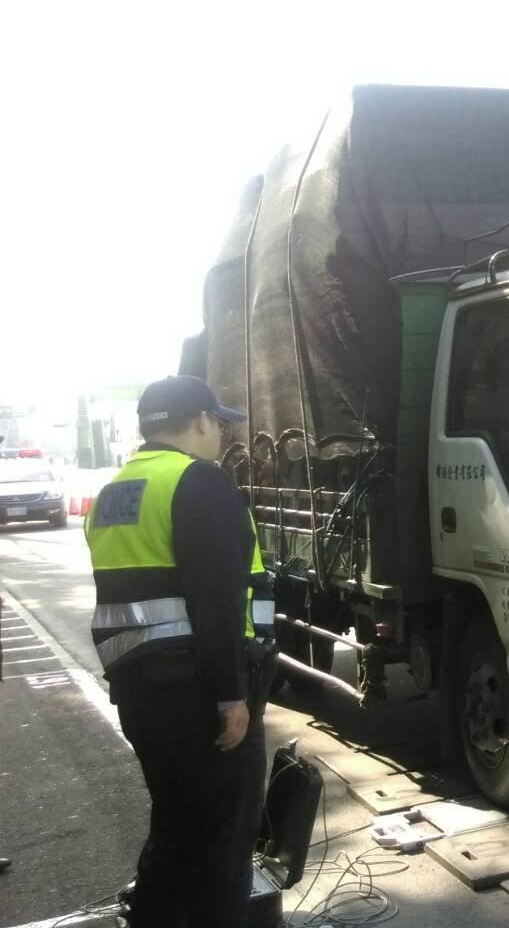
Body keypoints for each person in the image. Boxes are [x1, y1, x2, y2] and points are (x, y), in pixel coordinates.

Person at [86, 376, 271, 928]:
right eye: (217, 422)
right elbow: (214, 600)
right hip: (198, 698)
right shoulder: (198, 482)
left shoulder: (114, 493)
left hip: (142, 695)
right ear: (200, 421)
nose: (219, 434)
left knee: (175, 827)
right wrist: (230, 695)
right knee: (223, 845)